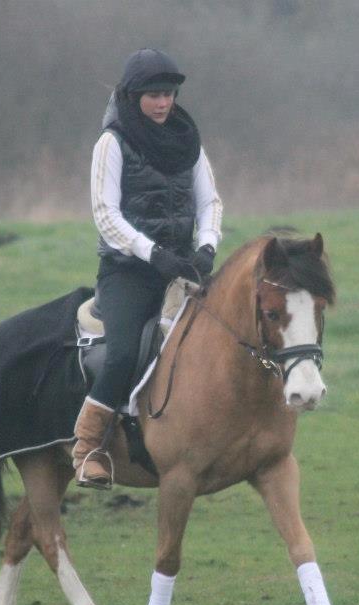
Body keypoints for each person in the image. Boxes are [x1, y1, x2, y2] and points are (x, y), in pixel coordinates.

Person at [72, 48, 223, 489]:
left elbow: (209, 200)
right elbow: (105, 213)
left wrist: (207, 248)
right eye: (155, 95)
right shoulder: (111, 142)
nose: (163, 103)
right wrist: (153, 253)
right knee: (122, 353)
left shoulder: (187, 140)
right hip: (127, 273)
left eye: (169, 94)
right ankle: (89, 448)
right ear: (134, 95)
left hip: (182, 269)